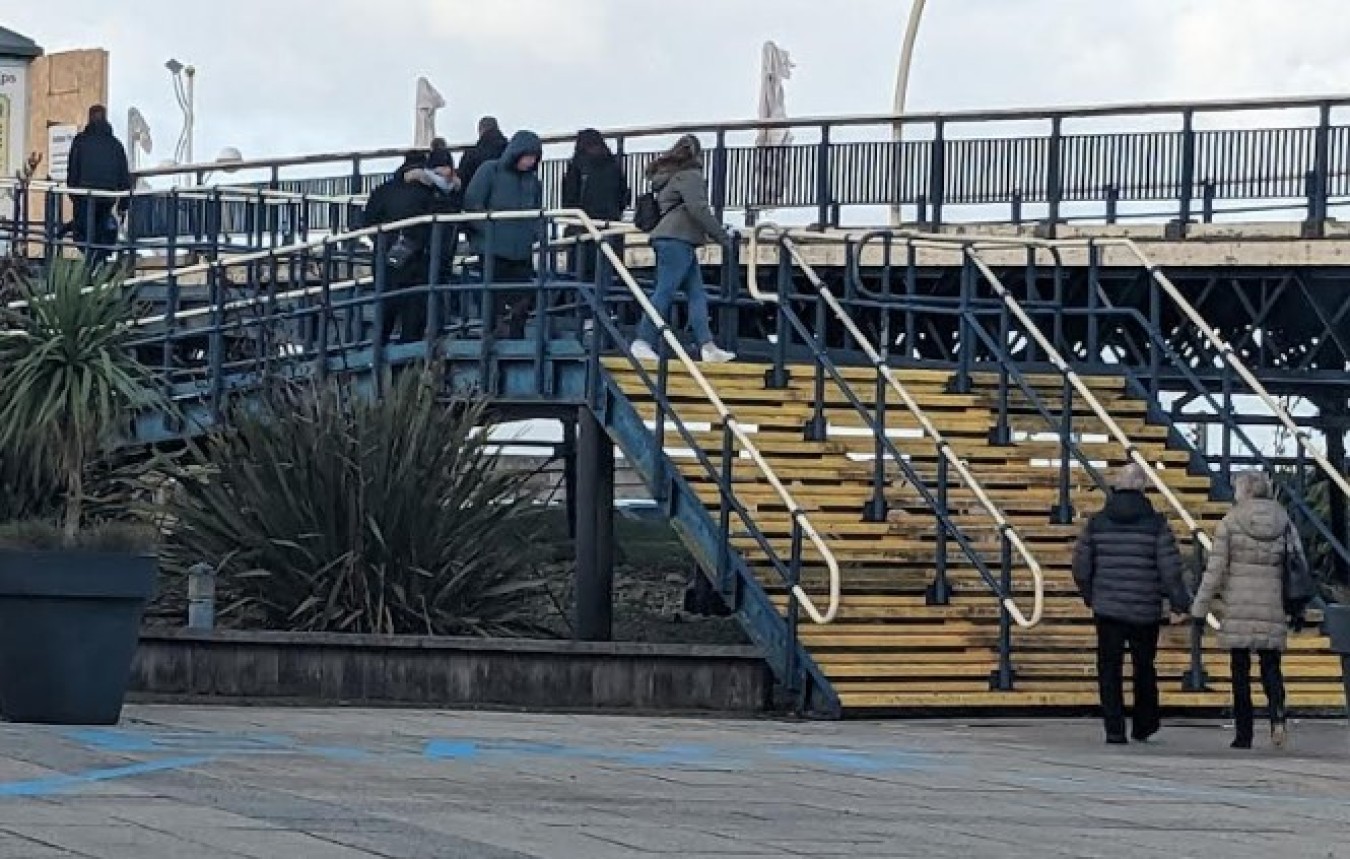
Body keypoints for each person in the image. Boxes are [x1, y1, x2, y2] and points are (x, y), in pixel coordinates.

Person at [1072, 463, 1191, 745]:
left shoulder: (1097, 522)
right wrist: (1179, 602)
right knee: (1144, 667)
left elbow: (1080, 565)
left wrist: (1091, 594)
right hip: (1145, 608)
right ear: (1143, 486)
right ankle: (1144, 724)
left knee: (1109, 668)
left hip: (1107, 607)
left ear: (1117, 485)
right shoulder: (1156, 524)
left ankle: (1114, 729)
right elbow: (1170, 568)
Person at [1191, 471, 1301, 750]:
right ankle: (1278, 719)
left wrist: (1200, 607)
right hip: (1272, 602)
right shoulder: (1283, 521)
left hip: (1238, 605)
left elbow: (1215, 570)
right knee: (1271, 666)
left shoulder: (1231, 521)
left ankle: (1244, 733)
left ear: (1243, 492)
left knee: (1240, 670)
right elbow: (1298, 561)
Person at [630, 135, 735, 364]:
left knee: (696, 293)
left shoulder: (668, 177)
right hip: (678, 239)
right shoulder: (691, 176)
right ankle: (642, 341)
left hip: (672, 238)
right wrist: (721, 236)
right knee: (665, 291)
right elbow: (698, 209)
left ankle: (707, 346)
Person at [463, 130, 544, 338]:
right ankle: (493, 336)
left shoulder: (533, 182)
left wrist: (536, 233)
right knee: (495, 299)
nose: (530, 161)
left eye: (534, 157)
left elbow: (537, 211)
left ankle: (516, 335)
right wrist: (489, 230)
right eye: (527, 156)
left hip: (521, 252)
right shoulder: (490, 170)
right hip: (493, 250)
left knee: (523, 299)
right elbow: (472, 203)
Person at [362, 150, 447, 345]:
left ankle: (379, 352)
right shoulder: (430, 192)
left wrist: (383, 242)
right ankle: (409, 362)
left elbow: (367, 222)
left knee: (386, 309)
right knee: (413, 315)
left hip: (386, 258)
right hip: (418, 261)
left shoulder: (383, 191)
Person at [65, 105, 132, 268]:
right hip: (106, 198)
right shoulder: (115, 145)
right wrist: (123, 205)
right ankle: (99, 262)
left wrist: (73, 195)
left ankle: (90, 265)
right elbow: (124, 176)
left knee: (83, 234)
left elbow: (73, 170)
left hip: (84, 197)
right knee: (101, 233)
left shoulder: (80, 142)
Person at [561, 129, 629, 279]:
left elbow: (569, 200)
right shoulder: (613, 165)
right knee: (611, 275)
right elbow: (623, 196)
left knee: (580, 277)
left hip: (583, 227)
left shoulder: (576, 166)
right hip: (611, 227)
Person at [457, 117, 509, 191]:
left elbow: (462, 181)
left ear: (480, 130)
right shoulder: (509, 151)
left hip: (480, 198)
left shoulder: (471, 154)